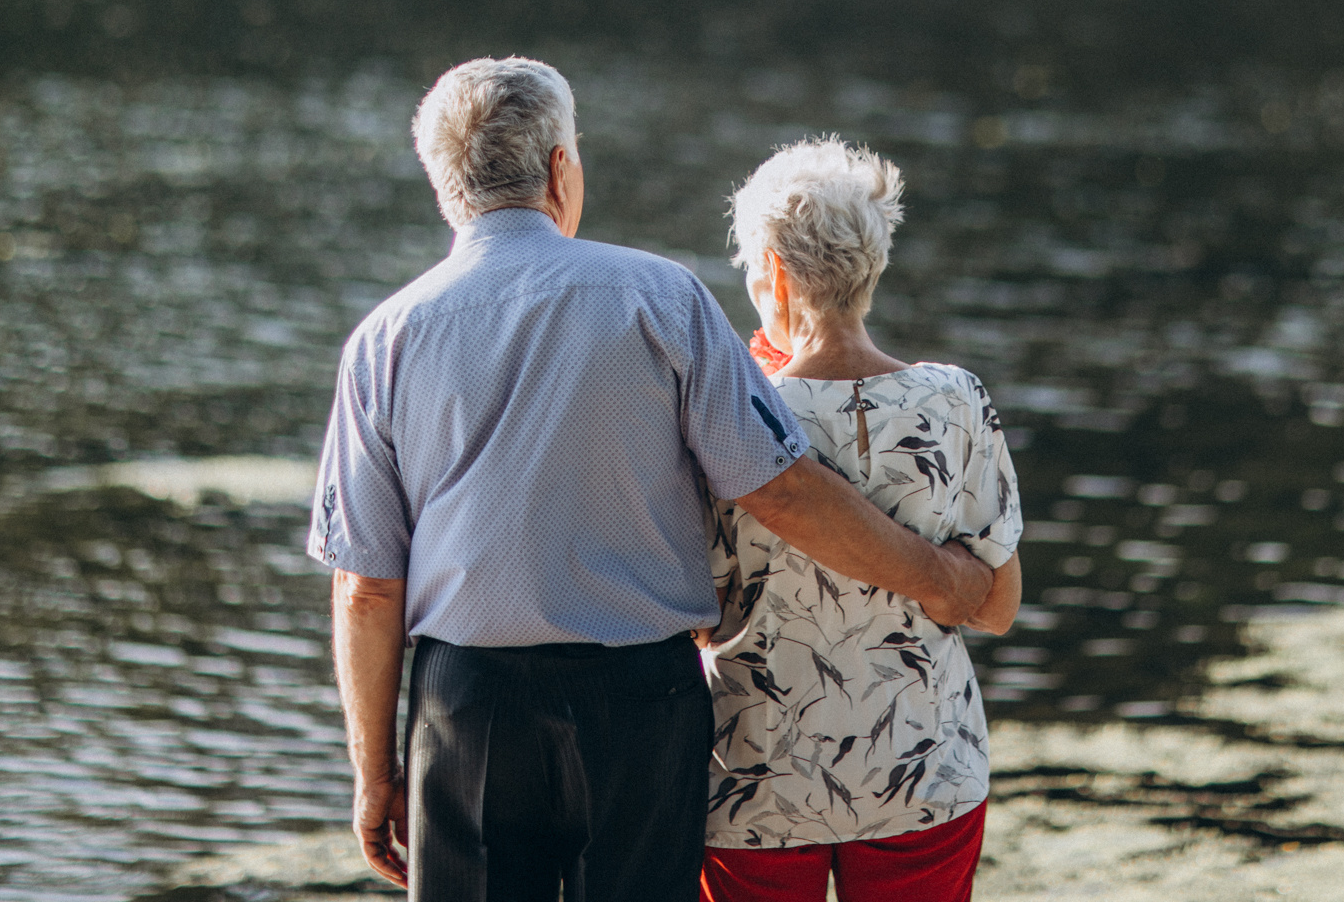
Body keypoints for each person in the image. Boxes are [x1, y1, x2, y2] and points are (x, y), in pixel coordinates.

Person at [306, 59, 995, 902]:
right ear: (562, 168)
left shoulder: (383, 341)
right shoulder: (660, 296)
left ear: (443, 183)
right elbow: (777, 487)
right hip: (640, 701)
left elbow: (367, 588)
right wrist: (942, 579)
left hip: (468, 703)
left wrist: (374, 771)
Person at [700, 137, 1023, 902]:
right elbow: (1000, 606)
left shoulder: (730, 417)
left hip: (758, 778)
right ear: (871, 267)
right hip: (924, 770)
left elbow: (696, 615)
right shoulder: (956, 400)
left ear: (774, 273)